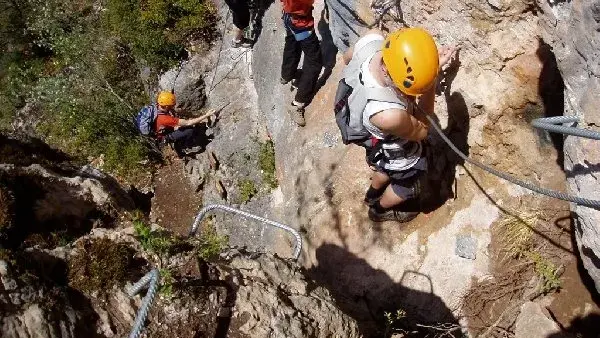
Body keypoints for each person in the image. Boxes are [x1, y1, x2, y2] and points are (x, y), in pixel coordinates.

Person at [342, 28, 457, 222]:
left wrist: (424, 65)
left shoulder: (373, 38)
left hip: (375, 143)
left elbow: (346, 59)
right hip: (398, 152)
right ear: (388, 72)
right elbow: (422, 130)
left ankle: (371, 195)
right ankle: (379, 210)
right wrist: (431, 81)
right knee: (406, 185)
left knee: (383, 169)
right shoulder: (388, 114)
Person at [280, 0, 323, 127]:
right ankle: (297, 104)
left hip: (288, 16)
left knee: (292, 43)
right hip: (301, 24)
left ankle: (287, 74)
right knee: (314, 62)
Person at [153, 91, 210, 157]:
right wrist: (206, 115)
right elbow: (188, 123)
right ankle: (185, 146)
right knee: (189, 130)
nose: (173, 106)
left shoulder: (157, 106)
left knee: (182, 125)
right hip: (163, 137)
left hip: (162, 130)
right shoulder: (165, 119)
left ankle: (179, 140)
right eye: (172, 106)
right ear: (166, 106)